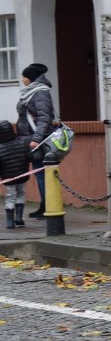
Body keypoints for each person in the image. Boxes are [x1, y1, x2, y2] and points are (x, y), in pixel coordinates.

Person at [16, 63, 55, 219]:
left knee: (42, 174)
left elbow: (44, 118)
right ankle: (44, 205)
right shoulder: (31, 92)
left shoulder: (40, 93)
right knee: (40, 174)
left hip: (39, 141)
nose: (22, 79)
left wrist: (36, 139)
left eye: (24, 76)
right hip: (31, 139)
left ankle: (49, 206)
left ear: (30, 78)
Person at [0, 120, 31, 228]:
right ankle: (19, 217)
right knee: (21, 194)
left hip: (8, 178)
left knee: (10, 197)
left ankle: (9, 222)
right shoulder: (21, 142)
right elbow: (28, 157)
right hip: (22, 175)